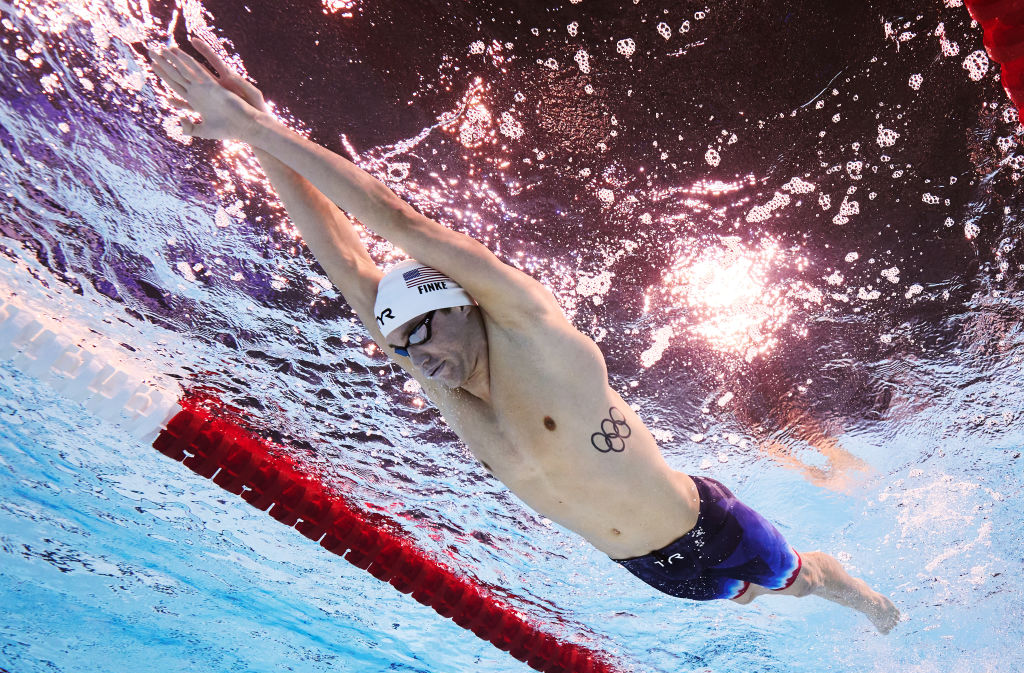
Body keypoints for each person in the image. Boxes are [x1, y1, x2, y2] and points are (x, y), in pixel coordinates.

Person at [149, 38, 900, 634]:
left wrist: (255, 126)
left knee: (798, 580)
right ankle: (763, 590)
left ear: (462, 302)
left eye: (422, 329)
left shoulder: (528, 328)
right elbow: (346, 262)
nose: (416, 352)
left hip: (709, 526)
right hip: (651, 568)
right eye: (400, 342)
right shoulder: (439, 379)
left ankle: (863, 598)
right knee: (737, 600)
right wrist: (253, 143)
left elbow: (394, 224)